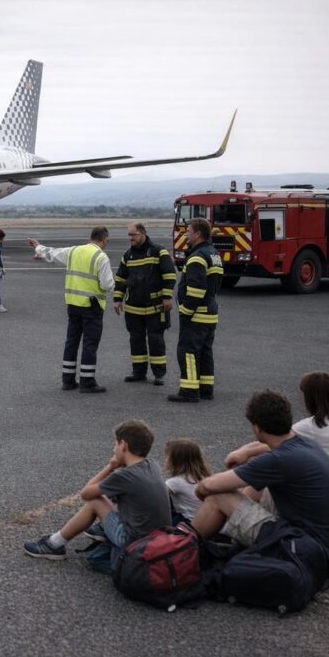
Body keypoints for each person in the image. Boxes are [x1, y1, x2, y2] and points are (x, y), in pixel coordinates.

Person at [191, 390, 329, 569]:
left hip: (306, 550)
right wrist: (246, 452)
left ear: (257, 428)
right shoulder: (305, 443)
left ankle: (181, 550)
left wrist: (202, 490)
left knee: (219, 496)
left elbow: (207, 486)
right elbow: (267, 449)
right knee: (260, 482)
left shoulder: (277, 460)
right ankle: (225, 530)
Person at [224, 372, 329, 525]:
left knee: (268, 476)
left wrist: (244, 453)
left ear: (310, 398)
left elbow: (276, 440)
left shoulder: (315, 426)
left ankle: (233, 515)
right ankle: (234, 510)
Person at [23, 420, 170, 569]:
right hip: (159, 538)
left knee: (95, 502)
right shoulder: (152, 465)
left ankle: (54, 544)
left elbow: (86, 493)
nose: (114, 449)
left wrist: (110, 467)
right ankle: (101, 531)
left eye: (115, 444)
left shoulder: (125, 475)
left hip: (135, 542)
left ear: (123, 445)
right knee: (108, 496)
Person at [27, 227, 115, 393]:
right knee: (90, 343)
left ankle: (68, 380)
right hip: (92, 306)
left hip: (73, 305)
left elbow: (51, 254)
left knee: (72, 341)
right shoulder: (100, 256)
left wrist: (37, 246)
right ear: (105, 240)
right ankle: (87, 381)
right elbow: (107, 285)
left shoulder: (74, 251)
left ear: (91, 237)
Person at [113, 222, 176, 385]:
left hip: (155, 306)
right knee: (136, 339)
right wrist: (117, 299)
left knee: (156, 340)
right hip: (134, 307)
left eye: (133, 235)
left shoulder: (158, 251)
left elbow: (169, 274)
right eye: (129, 235)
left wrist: (167, 296)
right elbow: (121, 278)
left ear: (143, 234)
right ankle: (139, 372)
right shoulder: (128, 255)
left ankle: (159, 374)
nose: (130, 238)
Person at [168, 217, 223, 403]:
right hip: (210, 313)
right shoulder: (214, 254)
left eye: (188, 231)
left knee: (188, 352)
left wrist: (185, 309)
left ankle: (189, 391)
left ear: (198, 234)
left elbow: (196, 289)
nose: (186, 234)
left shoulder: (198, 257)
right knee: (205, 352)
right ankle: (206, 389)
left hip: (196, 314)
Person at [164, 438, 211, 523]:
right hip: (207, 521)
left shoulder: (175, 482)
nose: (166, 460)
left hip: (190, 523)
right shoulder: (205, 477)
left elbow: (155, 497)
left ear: (175, 461)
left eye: (168, 457)